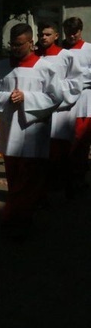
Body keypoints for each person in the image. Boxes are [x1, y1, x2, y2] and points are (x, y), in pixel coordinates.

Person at [0, 23, 61, 239]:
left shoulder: (45, 68)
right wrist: (6, 98)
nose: (15, 49)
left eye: (19, 45)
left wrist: (27, 98)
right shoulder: (0, 67)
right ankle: (20, 216)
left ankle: (14, 219)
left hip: (33, 131)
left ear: (31, 42)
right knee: (15, 179)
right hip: (10, 132)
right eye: (12, 44)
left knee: (29, 180)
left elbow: (56, 97)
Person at [35, 22, 83, 199]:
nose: (43, 37)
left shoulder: (66, 56)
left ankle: (66, 188)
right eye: (41, 34)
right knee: (41, 154)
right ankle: (42, 191)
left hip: (60, 111)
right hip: (39, 110)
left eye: (48, 34)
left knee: (61, 153)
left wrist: (53, 94)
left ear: (56, 36)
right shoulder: (34, 56)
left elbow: (75, 83)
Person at [62, 16, 91, 198]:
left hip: (84, 99)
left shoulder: (88, 49)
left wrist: (77, 82)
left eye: (75, 32)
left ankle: (79, 176)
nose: (72, 36)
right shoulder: (60, 50)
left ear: (80, 31)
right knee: (65, 139)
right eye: (68, 33)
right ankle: (66, 177)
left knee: (81, 139)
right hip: (64, 99)